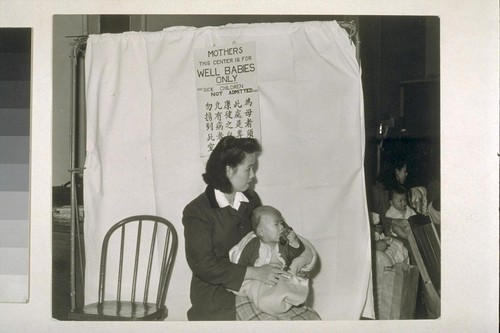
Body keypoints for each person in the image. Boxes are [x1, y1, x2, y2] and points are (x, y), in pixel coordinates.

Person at [182, 136, 291, 321]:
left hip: (256, 281)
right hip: (215, 293)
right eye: (248, 168)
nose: (252, 176)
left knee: (299, 314)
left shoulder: (251, 199)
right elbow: (204, 266)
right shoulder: (198, 211)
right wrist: (256, 273)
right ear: (228, 170)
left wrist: (292, 257)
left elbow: (269, 235)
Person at [228, 206, 312, 315]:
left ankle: (286, 299)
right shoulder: (252, 246)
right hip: (259, 279)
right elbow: (240, 265)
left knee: (293, 286)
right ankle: (272, 302)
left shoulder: (283, 244)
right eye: (276, 224)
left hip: (279, 277)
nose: (282, 227)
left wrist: (294, 243)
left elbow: (295, 256)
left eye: (282, 223)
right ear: (261, 231)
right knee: (262, 293)